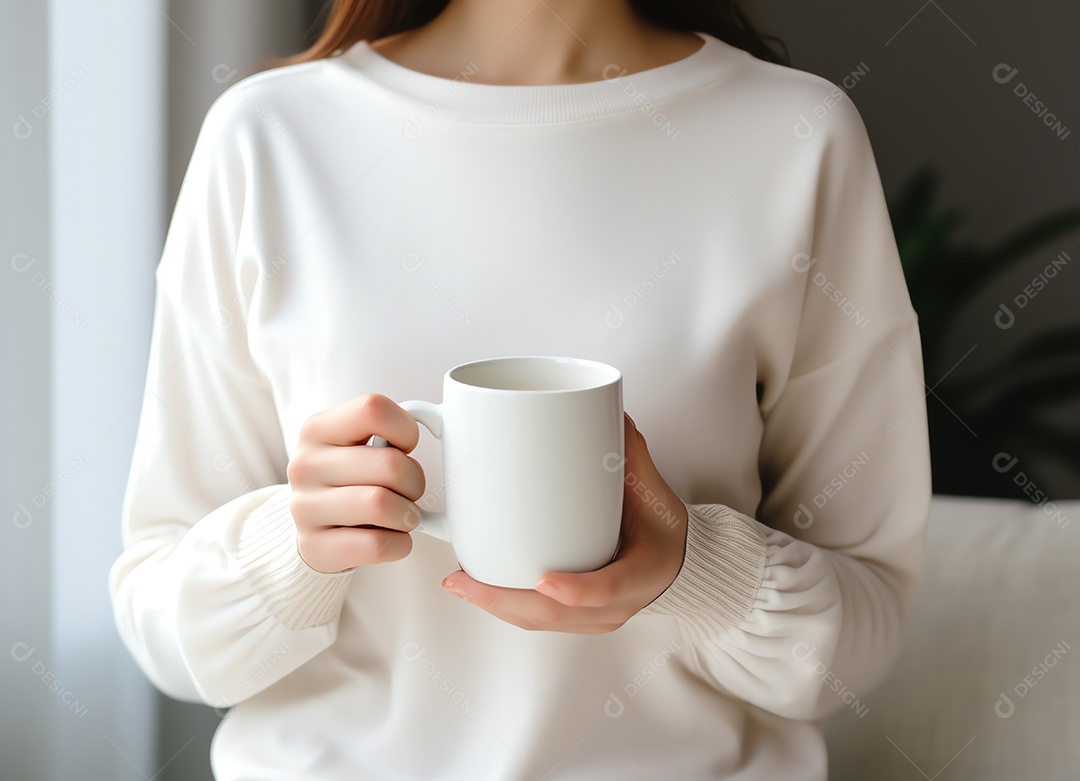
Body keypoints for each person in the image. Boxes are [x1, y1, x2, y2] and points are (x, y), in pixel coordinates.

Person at [110, 0, 931, 778]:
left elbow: (866, 635)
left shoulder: (797, 138)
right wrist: (294, 548)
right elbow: (163, 629)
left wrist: (695, 569)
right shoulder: (266, 137)